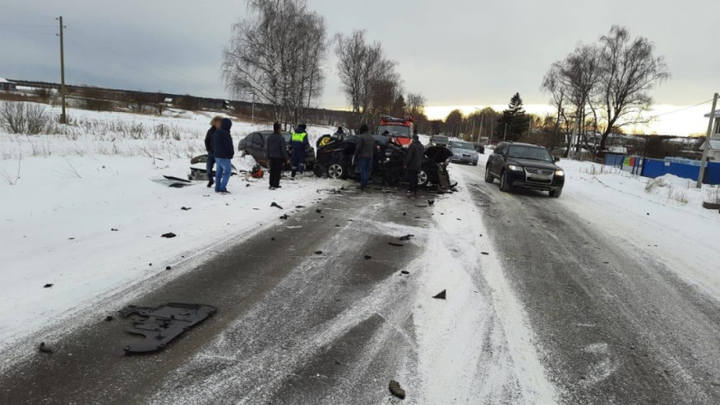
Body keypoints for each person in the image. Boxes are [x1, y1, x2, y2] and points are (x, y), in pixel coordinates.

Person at [213, 118, 234, 194]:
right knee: (227, 172)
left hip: (217, 155)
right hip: (224, 156)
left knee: (218, 172)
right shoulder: (226, 134)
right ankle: (222, 188)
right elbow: (229, 145)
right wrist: (231, 153)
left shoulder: (216, 132)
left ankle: (217, 187)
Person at [266, 122, 289, 190]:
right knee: (277, 171)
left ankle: (271, 183)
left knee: (272, 170)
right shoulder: (281, 138)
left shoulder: (270, 137)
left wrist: (268, 157)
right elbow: (283, 149)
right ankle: (275, 184)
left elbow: (268, 148)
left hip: (272, 156)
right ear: (278, 129)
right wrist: (286, 158)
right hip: (279, 157)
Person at [354, 124, 375, 190]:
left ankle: (363, 185)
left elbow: (358, 147)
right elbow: (374, 147)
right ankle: (365, 184)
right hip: (370, 156)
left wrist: (355, 156)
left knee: (363, 170)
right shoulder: (372, 137)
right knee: (367, 170)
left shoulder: (361, 137)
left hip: (363, 156)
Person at [204, 116, 222, 188]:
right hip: (211, 152)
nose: (218, 124)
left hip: (219, 154)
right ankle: (211, 180)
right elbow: (206, 141)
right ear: (214, 123)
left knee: (219, 169)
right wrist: (208, 149)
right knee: (208, 168)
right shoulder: (210, 131)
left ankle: (218, 183)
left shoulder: (223, 131)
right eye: (217, 123)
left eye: (219, 123)